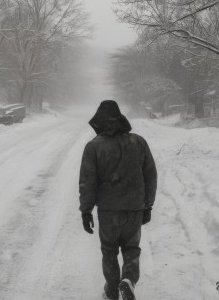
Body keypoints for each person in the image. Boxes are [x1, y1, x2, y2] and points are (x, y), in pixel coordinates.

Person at [79, 100, 157, 300]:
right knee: (131, 248)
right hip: (134, 207)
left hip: (108, 209)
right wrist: (148, 205)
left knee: (109, 250)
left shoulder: (94, 147)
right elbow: (150, 175)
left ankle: (112, 289)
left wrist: (86, 211)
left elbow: (88, 181)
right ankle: (128, 280)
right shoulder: (138, 142)